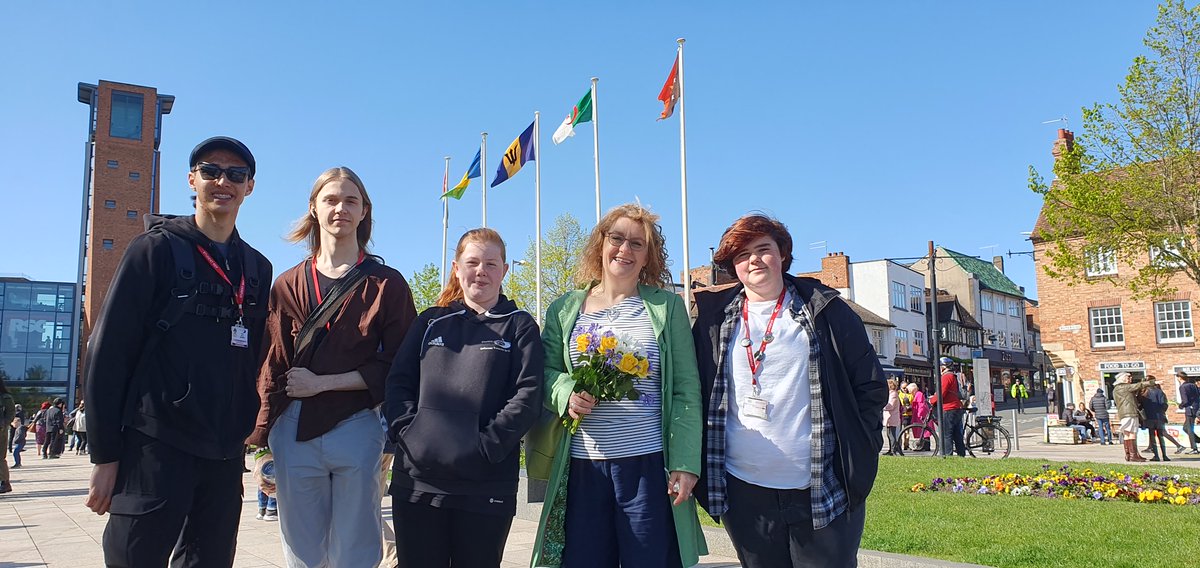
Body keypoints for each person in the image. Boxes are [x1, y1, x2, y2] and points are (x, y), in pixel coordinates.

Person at [84, 136, 273, 567]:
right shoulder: (154, 249)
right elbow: (106, 353)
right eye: (211, 171)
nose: (223, 181)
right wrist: (105, 456)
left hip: (224, 456)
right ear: (193, 179)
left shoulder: (258, 268)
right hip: (156, 446)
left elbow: (255, 362)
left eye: (236, 174)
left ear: (250, 187)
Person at [692, 214, 886, 568]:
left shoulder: (827, 311)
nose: (753, 260)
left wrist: (863, 446)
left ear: (782, 254)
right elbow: (693, 389)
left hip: (822, 486)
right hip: (744, 492)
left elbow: (870, 385)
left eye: (763, 249)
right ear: (732, 265)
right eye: (741, 254)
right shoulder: (713, 319)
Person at [246, 166, 416, 568]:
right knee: (302, 551)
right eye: (331, 200)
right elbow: (272, 364)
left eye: (350, 200)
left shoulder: (387, 284)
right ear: (314, 209)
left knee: (357, 550)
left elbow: (400, 365)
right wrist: (260, 443)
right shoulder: (287, 284)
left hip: (356, 423)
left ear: (363, 211)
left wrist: (324, 383)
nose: (341, 208)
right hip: (294, 427)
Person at [531, 204, 706, 568]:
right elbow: (544, 372)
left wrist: (687, 463)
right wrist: (566, 392)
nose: (625, 250)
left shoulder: (666, 307)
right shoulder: (565, 309)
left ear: (648, 256)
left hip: (647, 466)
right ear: (600, 244)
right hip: (583, 466)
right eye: (617, 238)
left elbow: (686, 390)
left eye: (637, 244)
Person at [386, 228, 543, 568]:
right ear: (457, 267)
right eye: (472, 262)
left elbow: (527, 395)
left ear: (504, 270)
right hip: (418, 481)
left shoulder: (519, 326)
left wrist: (485, 446)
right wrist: (410, 433)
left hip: (485, 485)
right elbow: (398, 383)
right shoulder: (430, 321)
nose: (481, 271)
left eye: (491, 263)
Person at [931, 358, 966, 457]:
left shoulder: (946, 377)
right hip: (956, 407)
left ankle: (947, 455)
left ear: (943, 367)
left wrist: (931, 400)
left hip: (948, 408)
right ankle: (961, 454)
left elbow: (941, 393)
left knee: (946, 433)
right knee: (956, 434)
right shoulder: (953, 376)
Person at [1112, 372, 1147, 462]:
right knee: (1132, 433)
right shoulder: (1125, 387)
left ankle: (1128, 454)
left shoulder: (1116, 389)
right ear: (1122, 379)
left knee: (1126, 434)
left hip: (1123, 413)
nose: (1130, 379)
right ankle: (1133, 455)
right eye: (1128, 377)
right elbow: (1139, 385)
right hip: (1130, 412)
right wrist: (1153, 382)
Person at [1140, 376, 1171, 461]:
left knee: (1152, 436)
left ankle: (1156, 455)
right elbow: (1164, 404)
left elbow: (1140, 406)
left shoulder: (1144, 394)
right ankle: (1164, 455)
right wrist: (1161, 412)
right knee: (1161, 436)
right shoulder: (1159, 392)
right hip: (1159, 417)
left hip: (1149, 417)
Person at [1179, 371, 1200, 454]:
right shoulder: (1193, 385)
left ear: (1179, 378)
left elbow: (1185, 400)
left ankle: (1194, 448)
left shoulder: (1182, 387)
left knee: (1189, 428)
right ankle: (1197, 440)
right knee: (1185, 428)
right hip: (1195, 408)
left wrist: (1181, 406)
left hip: (1190, 409)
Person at [883, 378, 903, 455]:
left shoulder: (893, 394)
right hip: (889, 417)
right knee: (889, 434)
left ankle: (893, 450)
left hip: (892, 417)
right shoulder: (891, 394)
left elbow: (891, 406)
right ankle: (891, 449)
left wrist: (882, 406)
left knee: (891, 434)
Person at [1, 378, 14, 494]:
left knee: (0, 458)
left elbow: (10, 414)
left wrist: (3, 424)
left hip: (1, 432)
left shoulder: (5, 398)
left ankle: (5, 482)